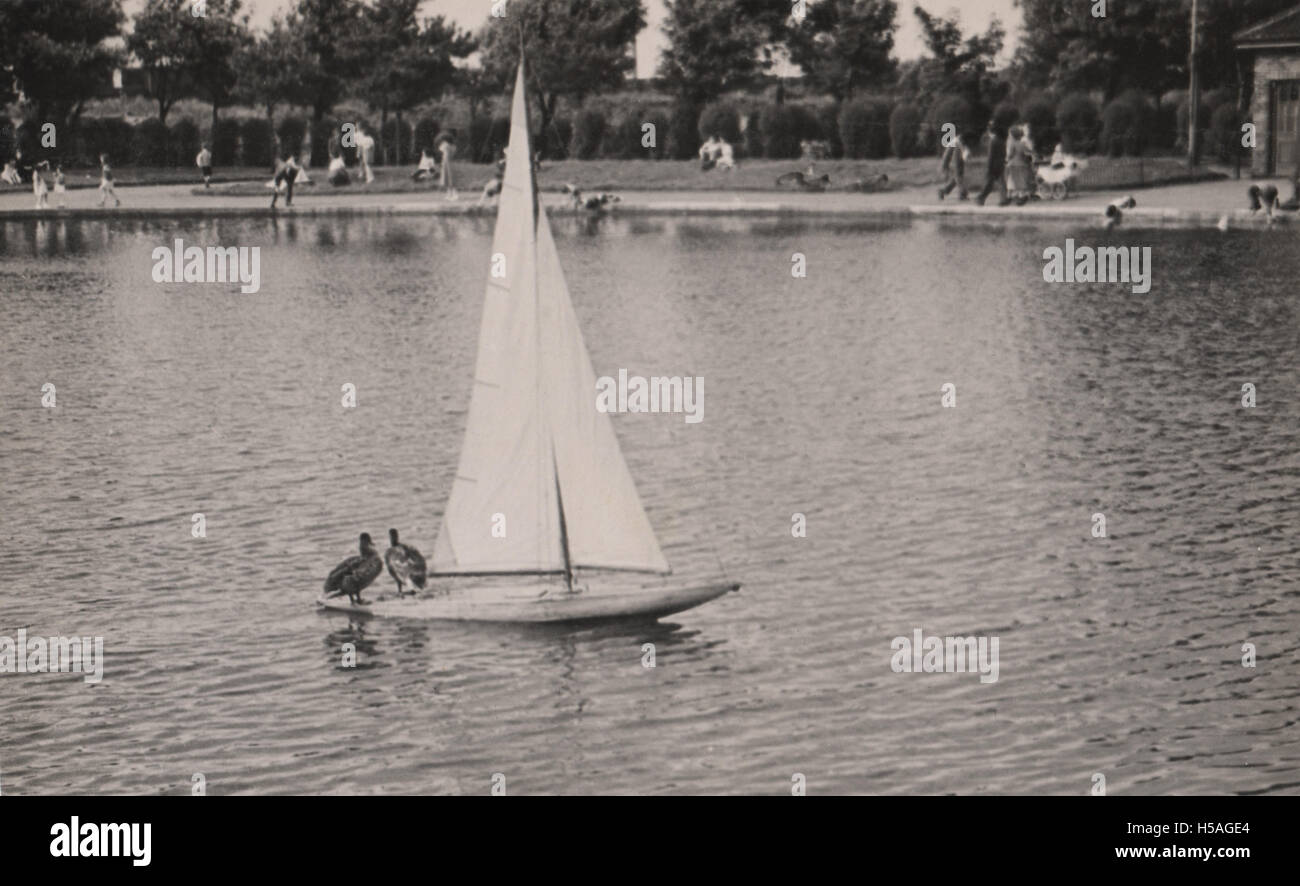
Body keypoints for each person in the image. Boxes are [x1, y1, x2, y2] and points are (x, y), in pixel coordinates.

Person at [975, 121, 1008, 207]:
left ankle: (981, 198)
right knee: (1001, 183)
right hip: (1000, 164)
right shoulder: (1002, 140)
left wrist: (988, 167)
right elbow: (1004, 153)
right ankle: (1003, 199)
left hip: (993, 165)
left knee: (989, 183)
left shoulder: (993, 141)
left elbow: (991, 155)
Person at [1004, 125, 1034, 205]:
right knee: (1020, 180)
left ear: (1012, 135)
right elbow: (1028, 152)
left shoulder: (1012, 144)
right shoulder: (1022, 144)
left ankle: (1013, 197)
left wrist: (1006, 159)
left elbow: (1010, 155)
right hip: (1022, 164)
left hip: (1013, 164)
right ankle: (1020, 196)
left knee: (1013, 181)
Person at [938, 131, 968, 200]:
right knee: (958, 177)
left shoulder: (957, 141)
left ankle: (943, 191)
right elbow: (947, 156)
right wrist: (945, 166)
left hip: (956, 161)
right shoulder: (956, 142)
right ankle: (962, 194)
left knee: (956, 179)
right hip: (954, 162)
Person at [437, 131, 458, 200]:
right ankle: (449, 194)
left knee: (450, 178)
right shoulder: (452, 146)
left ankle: (454, 194)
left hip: (447, 163)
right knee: (448, 179)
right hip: (449, 162)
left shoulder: (446, 145)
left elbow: (441, 150)